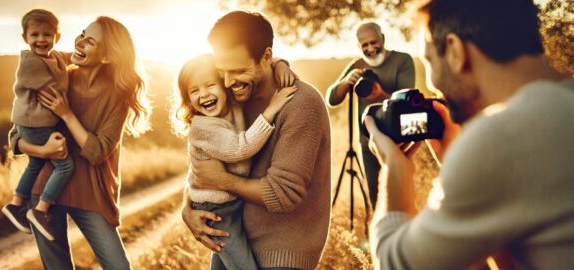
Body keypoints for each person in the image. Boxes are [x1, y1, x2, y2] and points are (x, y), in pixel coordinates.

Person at [365, 0, 574, 269]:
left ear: (456, 51)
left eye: (429, 61)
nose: (432, 83)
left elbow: (393, 264)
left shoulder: (504, 135)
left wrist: (394, 168)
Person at [182, 11, 332, 270]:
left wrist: (223, 181)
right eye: (222, 72)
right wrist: (187, 209)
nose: (228, 82)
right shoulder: (232, 98)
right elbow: (206, 159)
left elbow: (282, 194)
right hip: (233, 237)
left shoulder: (301, 104)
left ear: (266, 57)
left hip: (283, 252)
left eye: (238, 70)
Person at [8, 16, 151, 269]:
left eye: (90, 41)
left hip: (91, 194)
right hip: (44, 193)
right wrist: (42, 149)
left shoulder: (118, 95)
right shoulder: (56, 74)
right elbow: (16, 138)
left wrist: (66, 114)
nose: (80, 41)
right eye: (82, 33)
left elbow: (98, 151)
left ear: (106, 56)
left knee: (118, 265)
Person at [172, 53, 298, 270]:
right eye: (194, 91)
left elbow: (257, 62)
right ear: (187, 99)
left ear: (224, 85)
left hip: (231, 204)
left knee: (223, 264)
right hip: (217, 211)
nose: (203, 95)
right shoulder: (203, 127)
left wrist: (280, 64)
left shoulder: (231, 108)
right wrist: (272, 109)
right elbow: (240, 148)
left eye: (210, 85)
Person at [2, 8, 74, 242]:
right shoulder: (31, 63)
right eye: (35, 35)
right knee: (64, 166)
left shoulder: (52, 56)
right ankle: (40, 210)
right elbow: (54, 91)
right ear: (25, 38)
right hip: (36, 124)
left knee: (35, 163)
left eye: (47, 35)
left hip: (32, 124)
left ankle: (16, 203)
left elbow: (66, 59)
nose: (41, 40)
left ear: (56, 37)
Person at [325, 22, 415, 207]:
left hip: (399, 140)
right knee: (376, 197)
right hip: (368, 141)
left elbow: (408, 102)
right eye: (364, 45)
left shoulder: (402, 60)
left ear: (383, 39)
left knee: (401, 193)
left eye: (374, 42)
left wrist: (380, 94)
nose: (370, 49)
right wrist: (345, 82)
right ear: (359, 47)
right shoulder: (357, 65)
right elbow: (332, 99)